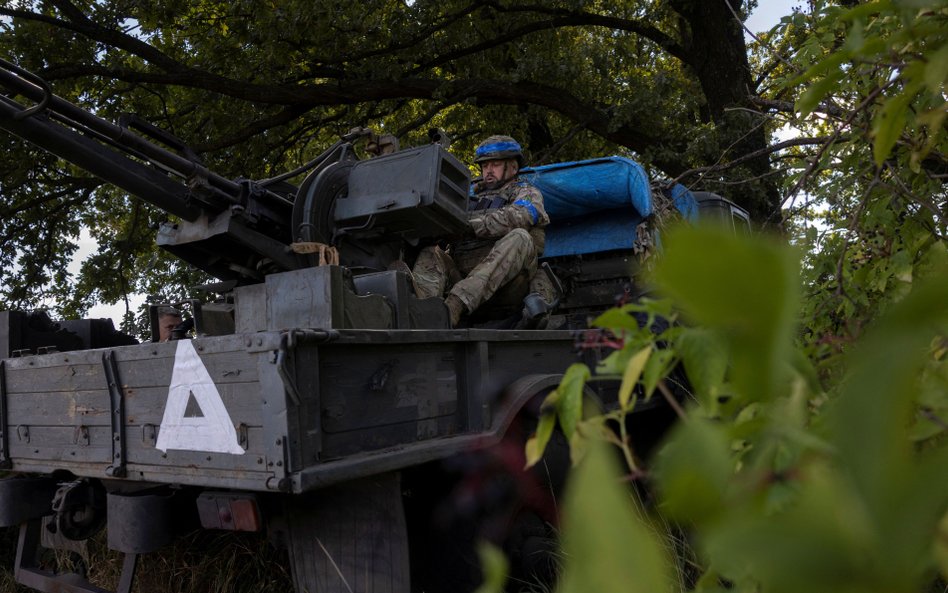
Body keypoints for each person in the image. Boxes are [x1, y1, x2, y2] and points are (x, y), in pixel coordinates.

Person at [412, 135, 550, 327]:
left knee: (520, 236)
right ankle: (423, 314)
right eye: (485, 166)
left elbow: (521, 216)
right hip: (464, 275)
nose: (488, 171)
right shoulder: (468, 197)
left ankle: (454, 306)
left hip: (507, 286)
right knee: (431, 252)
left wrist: (470, 224)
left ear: (512, 167)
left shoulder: (526, 192)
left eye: (494, 165)